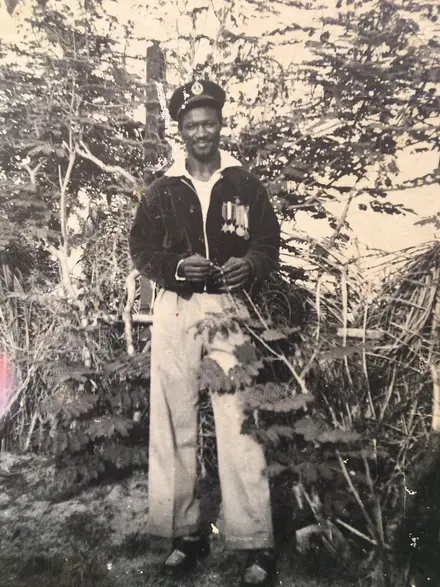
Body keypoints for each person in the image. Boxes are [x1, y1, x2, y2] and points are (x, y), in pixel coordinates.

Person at [129, 79, 281, 587]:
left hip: (229, 308)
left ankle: (253, 541)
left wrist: (251, 266)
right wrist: (175, 268)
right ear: (180, 129)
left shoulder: (244, 184)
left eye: (208, 122)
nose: (201, 131)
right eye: (191, 124)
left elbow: (267, 243)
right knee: (173, 419)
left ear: (219, 123)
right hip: (177, 307)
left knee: (239, 416)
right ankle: (183, 534)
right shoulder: (162, 188)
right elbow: (142, 251)